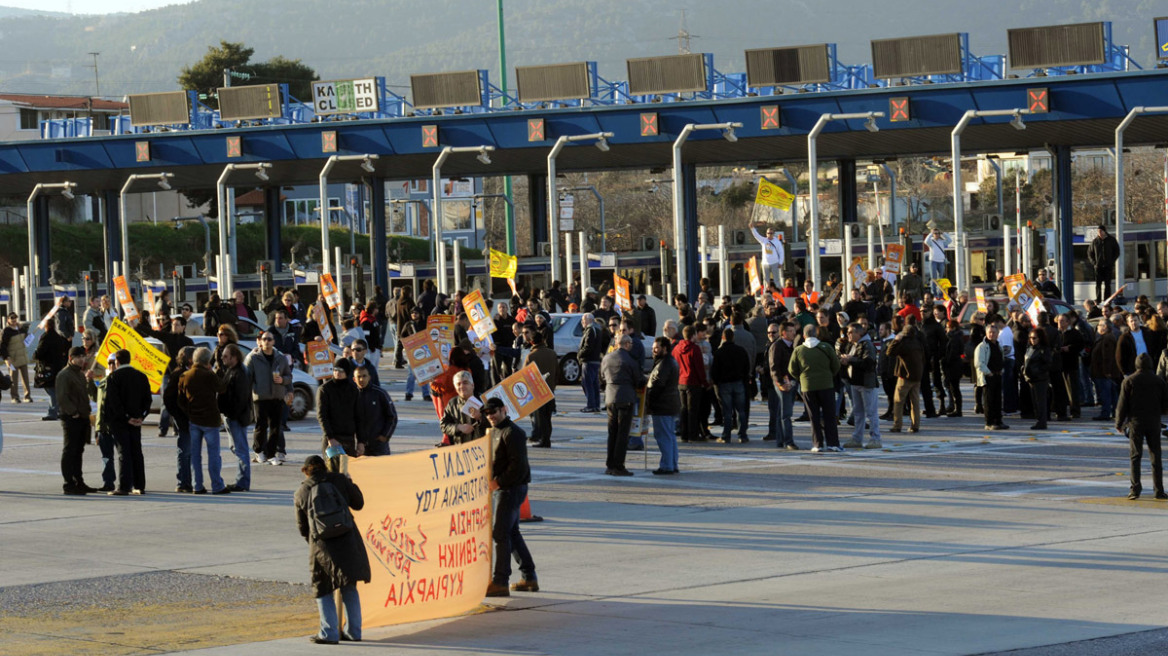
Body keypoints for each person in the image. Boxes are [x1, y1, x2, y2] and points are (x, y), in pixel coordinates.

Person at [294, 454, 370, 644]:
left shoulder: (302, 492)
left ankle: (328, 632)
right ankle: (354, 631)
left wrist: (315, 542)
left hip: (321, 546)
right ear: (324, 467)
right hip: (348, 541)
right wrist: (350, 483)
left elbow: (303, 528)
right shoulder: (340, 480)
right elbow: (359, 503)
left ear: (305, 471)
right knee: (349, 585)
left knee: (322, 588)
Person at [482, 397, 538, 598]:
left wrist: (498, 482)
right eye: (487, 413)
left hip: (511, 489)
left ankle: (500, 581)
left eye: (494, 412)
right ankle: (529, 577)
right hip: (504, 488)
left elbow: (518, 468)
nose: (491, 416)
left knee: (500, 534)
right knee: (512, 533)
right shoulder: (492, 431)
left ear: (504, 410)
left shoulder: (513, 433)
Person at [1116, 353, 1168, 500]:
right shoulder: (1159, 381)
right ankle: (1159, 490)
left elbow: (1122, 405)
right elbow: (1165, 404)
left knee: (1135, 456)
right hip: (1153, 422)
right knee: (1156, 457)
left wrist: (1119, 423)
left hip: (1135, 422)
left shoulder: (1129, 381)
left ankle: (1135, 489)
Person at [178, 347, 230, 495]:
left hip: (194, 419)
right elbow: (222, 388)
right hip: (210, 420)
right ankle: (217, 485)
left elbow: (180, 400)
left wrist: (188, 411)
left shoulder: (185, 376)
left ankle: (197, 485)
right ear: (207, 361)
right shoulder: (209, 375)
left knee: (195, 455)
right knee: (213, 454)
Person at [103, 349, 153, 496]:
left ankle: (124, 485)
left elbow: (113, 402)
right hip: (137, 420)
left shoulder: (113, 378)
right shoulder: (141, 376)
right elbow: (147, 400)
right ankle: (139, 485)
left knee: (123, 452)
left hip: (120, 422)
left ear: (117, 362)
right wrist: (141, 417)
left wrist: (126, 417)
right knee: (136, 451)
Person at [788, 323, 841, 452]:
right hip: (826, 384)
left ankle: (817, 444)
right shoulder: (826, 347)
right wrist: (829, 375)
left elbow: (792, 369)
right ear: (816, 334)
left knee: (814, 417)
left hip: (808, 386)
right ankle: (833, 443)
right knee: (829, 416)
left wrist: (802, 378)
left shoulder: (799, 350)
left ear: (804, 335)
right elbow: (836, 365)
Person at [601, 334, 646, 476]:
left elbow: (602, 377)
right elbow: (639, 379)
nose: (631, 346)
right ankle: (619, 466)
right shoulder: (630, 360)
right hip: (625, 397)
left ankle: (610, 465)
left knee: (612, 432)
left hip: (610, 397)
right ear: (626, 344)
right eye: (630, 344)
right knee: (622, 433)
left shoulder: (607, 358)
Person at [56, 346, 96, 495]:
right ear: (70, 358)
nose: (81, 359)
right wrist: (73, 413)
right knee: (70, 450)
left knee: (79, 451)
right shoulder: (64, 375)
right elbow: (62, 397)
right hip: (72, 418)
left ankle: (79, 481)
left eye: (82, 356)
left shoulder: (79, 374)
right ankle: (69, 483)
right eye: (77, 356)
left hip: (83, 418)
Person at [216, 343, 254, 492]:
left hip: (236, 417)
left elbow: (240, 398)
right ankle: (241, 480)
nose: (222, 358)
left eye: (226, 356)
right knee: (236, 448)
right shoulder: (231, 370)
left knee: (241, 450)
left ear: (234, 357)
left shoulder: (240, 373)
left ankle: (243, 482)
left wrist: (232, 414)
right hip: (231, 416)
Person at [841, 323, 881, 449]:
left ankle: (875, 438)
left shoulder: (867, 344)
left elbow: (869, 363)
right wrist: (845, 360)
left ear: (859, 333)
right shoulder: (852, 345)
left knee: (871, 412)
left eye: (851, 332)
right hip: (855, 381)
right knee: (858, 412)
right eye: (848, 332)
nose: (848, 334)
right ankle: (857, 438)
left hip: (866, 382)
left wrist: (851, 359)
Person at [317, 359, 362, 471]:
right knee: (331, 471)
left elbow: (359, 417)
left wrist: (361, 441)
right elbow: (322, 415)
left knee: (348, 473)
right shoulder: (325, 389)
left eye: (341, 370)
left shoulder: (353, 390)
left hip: (348, 438)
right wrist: (330, 437)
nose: (337, 373)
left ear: (347, 372)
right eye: (335, 370)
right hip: (332, 438)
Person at [162, 346, 196, 493]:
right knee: (185, 451)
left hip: (190, 418)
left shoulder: (189, 372)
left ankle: (187, 481)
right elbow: (169, 398)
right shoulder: (179, 374)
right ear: (189, 358)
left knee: (189, 451)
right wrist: (178, 414)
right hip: (183, 419)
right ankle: (183, 482)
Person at [646, 337, 680, 475]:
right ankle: (672, 463)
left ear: (665, 349)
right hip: (670, 404)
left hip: (663, 406)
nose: (654, 350)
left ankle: (667, 465)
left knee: (663, 436)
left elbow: (658, 385)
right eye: (654, 347)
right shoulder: (668, 362)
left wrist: (650, 401)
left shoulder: (665, 364)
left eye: (657, 347)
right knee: (669, 435)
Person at [712, 328, 751, 444]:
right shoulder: (741, 351)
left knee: (727, 412)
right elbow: (746, 367)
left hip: (724, 384)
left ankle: (726, 435)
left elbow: (715, 370)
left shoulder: (719, 352)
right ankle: (742, 435)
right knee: (741, 411)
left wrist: (716, 382)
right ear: (733, 337)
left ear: (723, 338)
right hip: (738, 382)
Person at [887, 322, 925, 433]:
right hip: (917, 375)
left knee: (898, 401)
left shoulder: (904, 343)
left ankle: (897, 425)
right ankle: (915, 425)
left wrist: (896, 340)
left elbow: (890, 352)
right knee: (915, 402)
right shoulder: (918, 343)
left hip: (905, 376)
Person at [768, 322, 799, 450]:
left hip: (791, 382)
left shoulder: (792, 346)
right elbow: (774, 367)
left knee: (782, 412)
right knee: (786, 414)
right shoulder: (777, 346)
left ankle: (780, 440)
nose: (794, 333)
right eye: (791, 331)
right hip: (783, 383)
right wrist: (780, 382)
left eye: (794, 330)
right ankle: (789, 441)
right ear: (784, 333)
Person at [674, 325, 708, 444]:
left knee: (683, 409)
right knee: (693, 410)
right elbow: (699, 368)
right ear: (693, 335)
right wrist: (704, 382)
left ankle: (684, 434)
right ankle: (693, 435)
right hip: (693, 382)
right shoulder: (695, 349)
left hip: (681, 381)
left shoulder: (677, 348)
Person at [524, 330, 557, 448]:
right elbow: (556, 372)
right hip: (550, 389)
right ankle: (546, 439)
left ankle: (544, 440)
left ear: (532, 342)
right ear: (543, 340)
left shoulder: (531, 356)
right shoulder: (552, 353)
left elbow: (525, 375)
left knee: (541, 418)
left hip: (537, 390)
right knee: (548, 417)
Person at [354, 366, 396, 456]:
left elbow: (392, 416)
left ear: (369, 377)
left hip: (378, 444)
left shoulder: (379, 393)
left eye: (364, 376)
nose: (361, 379)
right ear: (354, 379)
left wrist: (384, 436)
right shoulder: (352, 395)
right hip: (360, 445)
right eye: (359, 376)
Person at [975, 324, 1008, 430]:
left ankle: (998, 421)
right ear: (986, 333)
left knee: (998, 400)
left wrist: (1002, 370)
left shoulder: (998, 345)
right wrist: (988, 373)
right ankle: (989, 423)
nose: (991, 334)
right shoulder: (982, 346)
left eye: (994, 332)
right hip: (988, 377)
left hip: (998, 375)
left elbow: (1001, 358)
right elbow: (979, 363)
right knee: (989, 400)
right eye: (989, 332)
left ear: (998, 334)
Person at [439, 371, 487, 444]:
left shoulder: (484, 400)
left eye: (465, 383)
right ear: (455, 388)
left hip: (482, 446)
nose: (462, 386)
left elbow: (497, 422)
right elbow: (444, 425)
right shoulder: (452, 403)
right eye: (458, 384)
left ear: (472, 385)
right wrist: (458, 427)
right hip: (460, 448)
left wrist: (480, 417)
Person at [34, 325, 70, 421]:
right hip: (57, 366)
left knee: (51, 390)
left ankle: (53, 412)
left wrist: (35, 354)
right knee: (54, 389)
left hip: (47, 368)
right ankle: (59, 411)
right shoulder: (58, 337)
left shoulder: (45, 337)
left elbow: (40, 352)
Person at [1023, 328, 1052, 430]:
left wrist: (1037, 371)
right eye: (1030, 338)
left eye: (1034, 338)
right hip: (1031, 379)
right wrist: (1024, 371)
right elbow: (1026, 362)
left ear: (1040, 338)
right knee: (1035, 401)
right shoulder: (1030, 348)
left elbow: (1048, 364)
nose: (1032, 340)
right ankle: (1039, 420)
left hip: (1040, 378)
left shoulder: (1044, 349)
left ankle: (1042, 422)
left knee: (1041, 401)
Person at [2, 313, 32, 403]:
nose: (14, 320)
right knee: (13, 379)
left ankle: (27, 396)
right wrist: (6, 357)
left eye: (15, 318)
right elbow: (2, 345)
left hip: (22, 356)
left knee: (25, 378)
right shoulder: (6, 331)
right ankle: (14, 397)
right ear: (8, 320)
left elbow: (27, 339)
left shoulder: (20, 329)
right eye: (12, 318)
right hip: (12, 358)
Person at [578, 313, 604, 413]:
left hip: (589, 360)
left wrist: (580, 354)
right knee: (594, 384)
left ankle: (591, 405)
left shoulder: (590, 330)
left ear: (589, 320)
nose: (582, 322)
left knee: (587, 384)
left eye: (583, 320)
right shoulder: (597, 329)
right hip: (595, 360)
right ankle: (596, 405)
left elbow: (588, 346)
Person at [1088, 224, 1120, 302]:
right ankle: (1098, 299)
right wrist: (1094, 263)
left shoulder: (1111, 240)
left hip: (1108, 266)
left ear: (1104, 231)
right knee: (1098, 284)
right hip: (1098, 267)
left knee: (1107, 284)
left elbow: (1117, 252)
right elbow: (1090, 253)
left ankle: (1107, 299)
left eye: (1101, 231)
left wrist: (1111, 261)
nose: (1099, 233)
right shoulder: (1095, 241)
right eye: (1098, 231)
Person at [923, 228, 950, 294]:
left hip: (941, 261)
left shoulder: (942, 241)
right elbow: (926, 241)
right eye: (935, 233)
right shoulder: (931, 241)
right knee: (933, 278)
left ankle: (940, 293)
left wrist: (943, 233)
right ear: (933, 234)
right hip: (933, 261)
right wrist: (930, 233)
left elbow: (949, 240)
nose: (937, 235)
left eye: (938, 233)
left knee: (940, 278)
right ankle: (933, 293)